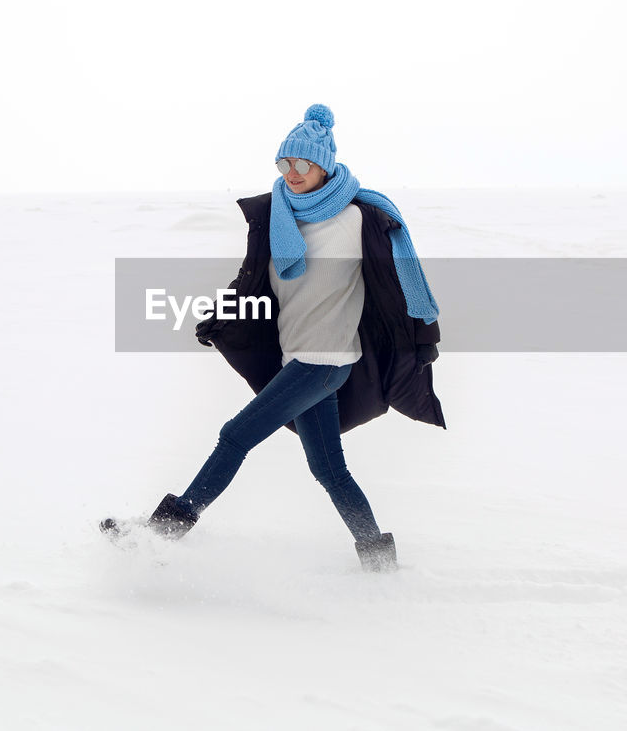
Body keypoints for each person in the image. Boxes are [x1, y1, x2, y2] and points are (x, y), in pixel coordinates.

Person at [107, 104, 445, 572]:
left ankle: (166, 530)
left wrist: (424, 333)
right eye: (283, 163)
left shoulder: (358, 218)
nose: (291, 173)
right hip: (297, 359)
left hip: (326, 362)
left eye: (301, 163)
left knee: (234, 437)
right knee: (329, 470)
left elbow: (404, 274)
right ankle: (378, 559)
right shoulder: (279, 219)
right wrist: (223, 314)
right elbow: (254, 281)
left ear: (323, 165)